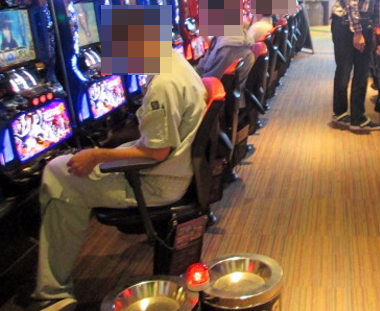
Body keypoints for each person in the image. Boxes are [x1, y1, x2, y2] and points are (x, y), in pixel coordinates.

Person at [24, 50, 208, 311]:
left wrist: (97, 155)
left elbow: (156, 153)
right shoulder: (176, 62)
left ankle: (52, 293)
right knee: (66, 168)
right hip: (174, 172)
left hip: (156, 183)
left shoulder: (164, 83)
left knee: (57, 173)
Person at [331, 0, 380, 131]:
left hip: (364, 22)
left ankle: (357, 117)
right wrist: (357, 31)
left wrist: (373, 28)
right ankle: (341, 113)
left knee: (361, 72)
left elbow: (376, 0)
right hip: (345, 23)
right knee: (344, 69)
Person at [196, 30, 255, 107]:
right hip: (223, 94)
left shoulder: (229, 45)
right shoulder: (222, 38)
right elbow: (202, 67)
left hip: (221, 102)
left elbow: (213, 80)